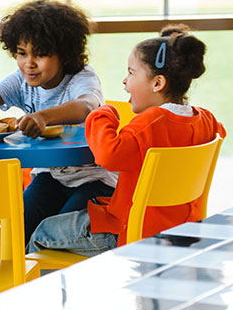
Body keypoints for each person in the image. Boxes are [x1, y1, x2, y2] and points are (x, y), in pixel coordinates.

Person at [28, 25, 227, 255]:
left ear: (157, 83)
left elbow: (109, 155)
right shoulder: (207, 119)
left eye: (131, 73)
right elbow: (219, 133)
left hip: (129, 230)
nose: (125, 80)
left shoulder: (150, 124)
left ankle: (31, 290)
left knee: (43, 231)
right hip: (180, 227)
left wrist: (103, 113)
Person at [0, 0, 116, 244]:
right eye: (21, 53)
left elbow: (86, 106)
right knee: (16, 231)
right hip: (50, 176)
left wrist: (44, 116)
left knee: (56, 235)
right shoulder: (20, 81)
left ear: (64, 54)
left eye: (40, 54)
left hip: (95, 181)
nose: (29, 63)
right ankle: (19, 281)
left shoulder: (81, 78)